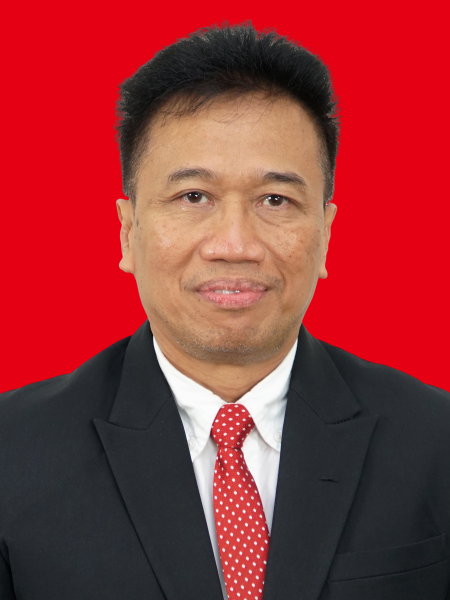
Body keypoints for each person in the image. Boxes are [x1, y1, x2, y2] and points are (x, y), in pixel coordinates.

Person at [0, 23, 449, 600]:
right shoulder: (13, 454)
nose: (234, 244)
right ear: (128, 232)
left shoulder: (435, 442)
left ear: (326, 235)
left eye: (275, 199)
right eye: (194, 197)